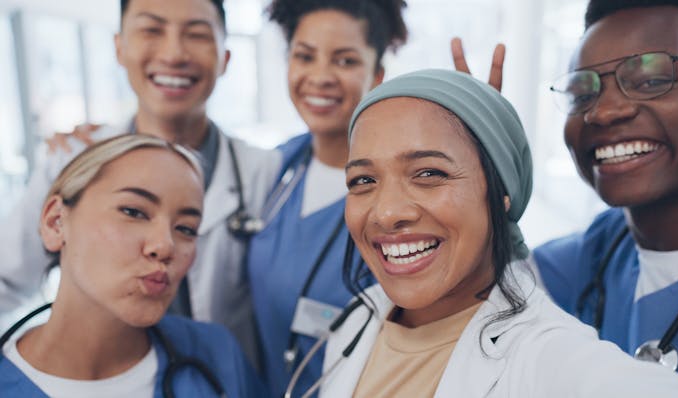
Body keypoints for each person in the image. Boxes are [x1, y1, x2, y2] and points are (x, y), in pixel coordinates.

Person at [296, 68, 678, 398]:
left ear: (501, 192)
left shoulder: (548, 358)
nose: (386, 212)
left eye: (429, 173)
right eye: (363, 179)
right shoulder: (358, 318)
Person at [482, 1, 678, 397]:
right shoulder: (594, 253)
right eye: (581, 92)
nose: (605, 112)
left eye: (649, 80)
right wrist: (466, 160)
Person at [0, 0, 281, 364]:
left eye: (196, 34)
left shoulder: (265, 171)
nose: (174, 53)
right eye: (152, 29)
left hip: (220, 381)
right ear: (119, 47)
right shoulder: (72, 157)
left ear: (226, 57)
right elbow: (6, 277)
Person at [0, 134, 262, 398]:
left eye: (186, 228)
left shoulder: (217, 355)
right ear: (55, 222)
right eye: (133, 212)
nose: (165, 246)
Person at [245, 1, 407, 396]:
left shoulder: (398, 199)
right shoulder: (276, 168)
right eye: (304, 56)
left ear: (377, 76)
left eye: (345, 60)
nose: (320, 77)